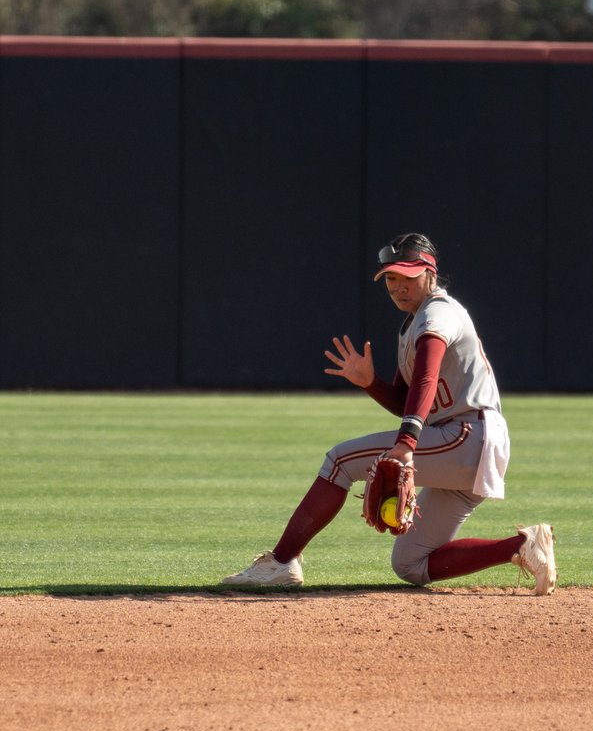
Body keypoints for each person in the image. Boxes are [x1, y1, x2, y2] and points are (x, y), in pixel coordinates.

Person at [222, 232, 556, 595]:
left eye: (408, 276)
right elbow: (405, 400)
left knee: (340, 461)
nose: (398, 286)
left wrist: (407, 443)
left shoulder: (438, 312)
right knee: (410, 563)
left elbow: (426, 377)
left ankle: (281, 562)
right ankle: (523, 546)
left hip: (466, 435)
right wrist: (370, 383)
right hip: (469, 440)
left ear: (430, 272)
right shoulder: (414, 323)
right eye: (391, 278)